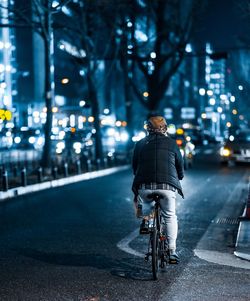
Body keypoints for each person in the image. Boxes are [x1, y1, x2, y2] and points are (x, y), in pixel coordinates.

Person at [132, 115, 184, 263]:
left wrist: (140, 177)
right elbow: (180, 165)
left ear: (148, 129)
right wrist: (179, 176)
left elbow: (135, 166)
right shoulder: (172, 144)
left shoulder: (140, 144)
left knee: (143, 201)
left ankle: (147, 221)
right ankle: (172, 250)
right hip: (167, 186)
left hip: (145, 186)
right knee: (170, 216)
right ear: (165, 128)